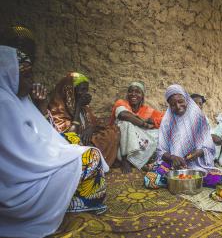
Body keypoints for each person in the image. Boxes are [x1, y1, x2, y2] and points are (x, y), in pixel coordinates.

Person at [0, 45, 108, 238]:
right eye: (26, 77)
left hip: (38, 159)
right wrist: (66, 149)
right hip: (24, 181)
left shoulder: (18, 99)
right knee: (90, 155)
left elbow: (43, 133)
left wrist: (39, 104)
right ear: (9, 76)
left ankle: (69, 196)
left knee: (83, 142)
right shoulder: (4, 104)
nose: (32, 82)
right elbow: (33, 151)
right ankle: (73, 204)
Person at [144, 84, 222, 189]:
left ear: (187, 100)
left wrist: (199, 152)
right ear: (169, 106)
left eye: (180, 101)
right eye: (173, 104)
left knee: (218, 180)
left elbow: (209, 147)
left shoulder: (199, 120)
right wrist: (172, 157)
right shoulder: (167, 122)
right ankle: (183, 180)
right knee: (150, 180)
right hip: (173, 166)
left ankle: (178, 181)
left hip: (197, 166)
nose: (178, 106)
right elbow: (161, 151)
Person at [48, 72, 120, 166]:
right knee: (86, 148)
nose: (85, 93)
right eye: (82, 90)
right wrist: (78, 106)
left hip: (85, 139)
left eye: (86, 90)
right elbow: (69, 136)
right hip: (69, 147)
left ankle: (102, 162)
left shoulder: (84, 107)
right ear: (70, 91)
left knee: (112, 132)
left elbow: (96, 124)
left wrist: (91, 129)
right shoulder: (57, 108)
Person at [110, 81, 164, 173]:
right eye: (131, 91)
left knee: (160, 132)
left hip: (139, 146)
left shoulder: (148, 110)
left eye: (137, 92)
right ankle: (125, 160)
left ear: (142, 95)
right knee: (126, 122)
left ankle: (138, 160)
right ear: (127, 94)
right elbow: (123, 115)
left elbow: (165, 119)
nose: (133, 94)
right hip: (121, 146)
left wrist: (153, 121)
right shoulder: (121, 103)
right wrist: (144, 124)